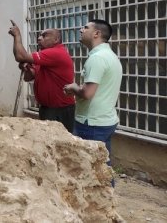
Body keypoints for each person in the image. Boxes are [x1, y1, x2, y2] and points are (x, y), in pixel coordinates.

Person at [63, 19, 122, 186]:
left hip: (92, 123)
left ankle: (103, 205)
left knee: (92, 171)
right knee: (102, 167)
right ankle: (106, 203)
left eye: (86, 27)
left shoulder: (97, 58)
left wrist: (74, 87)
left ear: (97, 34)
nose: (81, 30)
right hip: (103, 120)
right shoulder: (109, 56)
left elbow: (87, 93)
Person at [8, 20, 76, 132]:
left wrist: (17, 35)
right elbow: (28, 77)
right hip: (46, 108)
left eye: (44, 36)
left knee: (58, 144)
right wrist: (27, 68)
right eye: (39, 35)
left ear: (56, 40)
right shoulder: (44, 57)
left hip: (60, 109)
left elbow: (20, 56)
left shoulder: (56, 53)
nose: (39, 38)